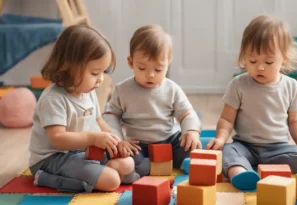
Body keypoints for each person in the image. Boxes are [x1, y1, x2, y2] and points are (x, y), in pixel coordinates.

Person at [207, 15, 297, 190]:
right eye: (252, 60)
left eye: (269, 61)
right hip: (244, 146)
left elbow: (294, 121)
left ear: (284, 58)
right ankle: (242, 174)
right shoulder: (238, 84)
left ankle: (262, 171)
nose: (260, 67)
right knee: (227, 152)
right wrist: (220, 138)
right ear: (244, 56)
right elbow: (227, 119)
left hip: (278, 149)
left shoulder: (291, 86)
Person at [28, 24, 138, 193]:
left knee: (127, 163)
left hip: (81, 153)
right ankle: (45, 179)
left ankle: (99, 174)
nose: (101, 79)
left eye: (103, 72)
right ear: (68, 66)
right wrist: (93, 138)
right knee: (112, 180)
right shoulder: (53, 99)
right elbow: (57, 139)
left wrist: (116, 141)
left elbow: (98, 120)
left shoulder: (88, 92)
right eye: (95, 73)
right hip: (51, 158)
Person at [103, 25, 202, 177]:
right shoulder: (122, 90)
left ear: (168, 62)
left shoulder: (172, 89)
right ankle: (146, 167)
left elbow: (187, 114)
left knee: (190, 145)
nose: (150, 75)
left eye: (158, 69)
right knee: (124, 156)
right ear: (130, 62)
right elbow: (110, 115)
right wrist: (119, 140)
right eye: (142, 68)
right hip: (137, 144)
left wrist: (191, 131)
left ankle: (185, 162)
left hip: (169, 140)